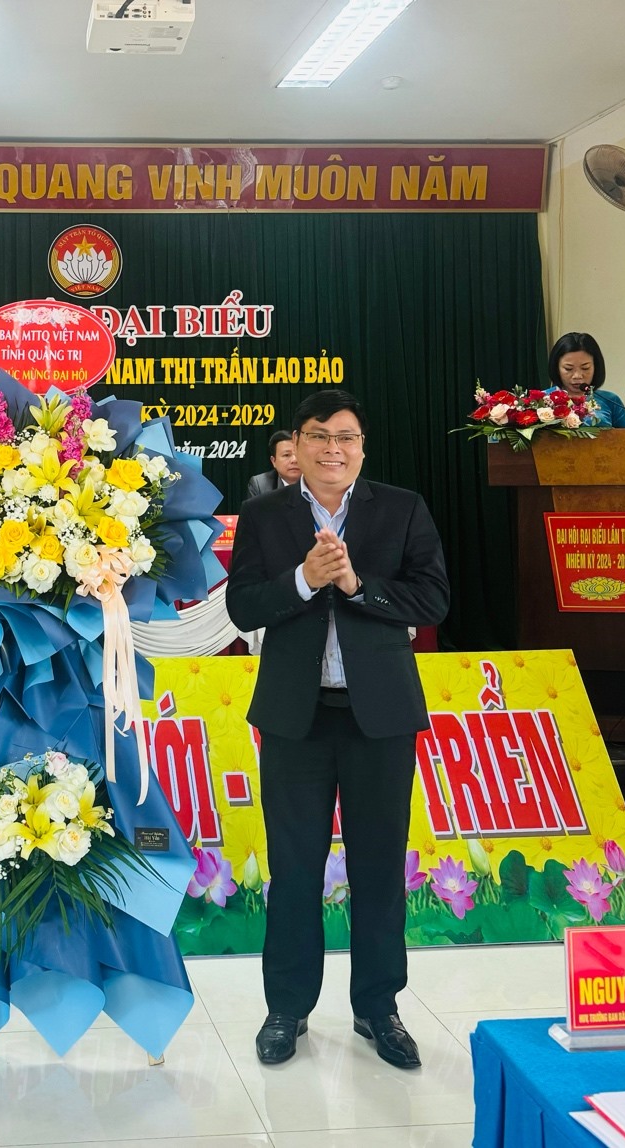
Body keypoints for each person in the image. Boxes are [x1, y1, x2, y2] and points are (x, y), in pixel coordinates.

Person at [226, 388, 449, 1072]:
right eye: (319, 436)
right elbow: (242, 606)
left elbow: (433, 597)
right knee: (294, 869)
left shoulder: (402, 508)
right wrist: (301, 579)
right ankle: (287, 1008)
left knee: (379, 867)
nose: (333, 449)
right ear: (296, 445)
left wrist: (356, 586)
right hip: (295, 717)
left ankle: (378, 1007)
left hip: (379, 717)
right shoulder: (264, 515)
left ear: (362, 446)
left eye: (346, 437)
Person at [547, 332, 625, 428]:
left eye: (585, 368)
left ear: (596, 367)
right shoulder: (540, 401)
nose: (577, 376)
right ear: (556, 368)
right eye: (568, 369)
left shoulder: (611, 401)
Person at [245, 430, 302, 502]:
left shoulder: (315, 482)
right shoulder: (260, 485)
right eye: (286, 455)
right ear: (273, 461)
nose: (294, 460)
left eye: (298, 454)